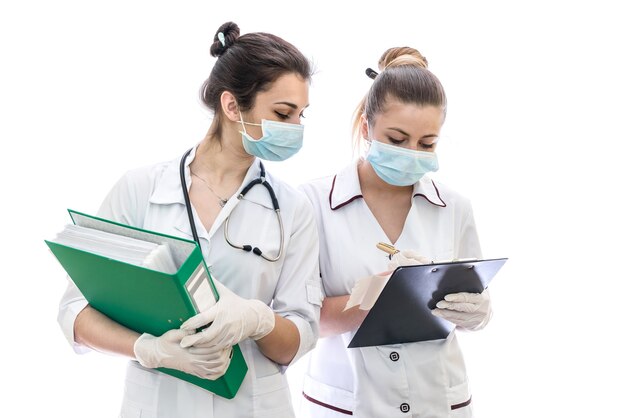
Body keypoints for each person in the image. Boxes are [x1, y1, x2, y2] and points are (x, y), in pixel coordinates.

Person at [57, 21, 323, 418]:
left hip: (253, 405)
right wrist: (148, 350)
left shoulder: (293, 209)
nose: (295, 129)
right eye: (283, 114)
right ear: (232, 106)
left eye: (301, 115)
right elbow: (74, 314)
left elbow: (297, 338)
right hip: (159, 403)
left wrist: (258, 319)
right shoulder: (141, 188)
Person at [298, 47, 492, 417]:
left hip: (439, 400)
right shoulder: (313, 202)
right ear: (367, 128)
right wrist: (376, 296)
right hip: (347, 401)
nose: (412, 153)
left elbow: (471, 300)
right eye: (397, 139)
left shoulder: (454, 207)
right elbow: (305, 320)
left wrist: (477, 313)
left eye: (427, 144)